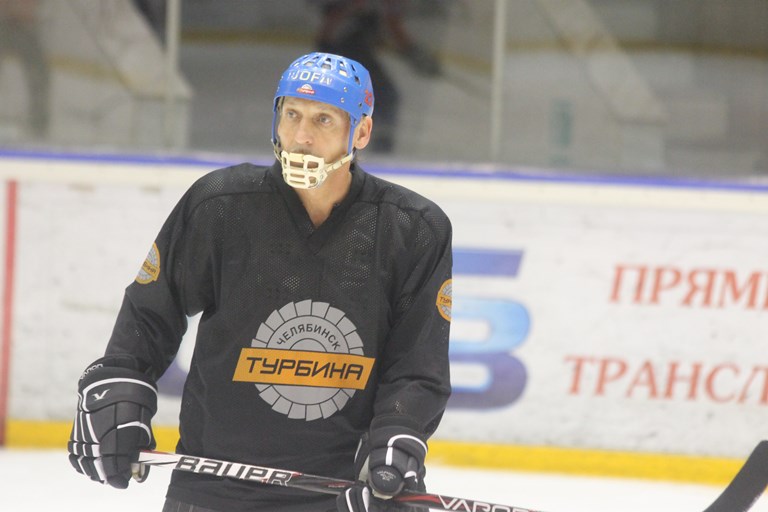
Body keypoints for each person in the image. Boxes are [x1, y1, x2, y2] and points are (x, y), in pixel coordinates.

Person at [67, 52, 453, 512]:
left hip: (335, 492)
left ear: (362, 132)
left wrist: (399, 435)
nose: (302, 136)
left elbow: (417, 362)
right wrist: (121, 380)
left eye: (323, 119)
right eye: (292, 114)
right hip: (210, 486)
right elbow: (151, 311)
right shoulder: (220, 205)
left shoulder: (412, 229)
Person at [314, 0, 442, 153]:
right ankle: (379, 145)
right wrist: (413, 53)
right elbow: (393, 27)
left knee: (368, 97)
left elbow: (388, 28)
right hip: (348, 50)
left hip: (345, 50)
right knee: (385, 96)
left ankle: (353, 142)